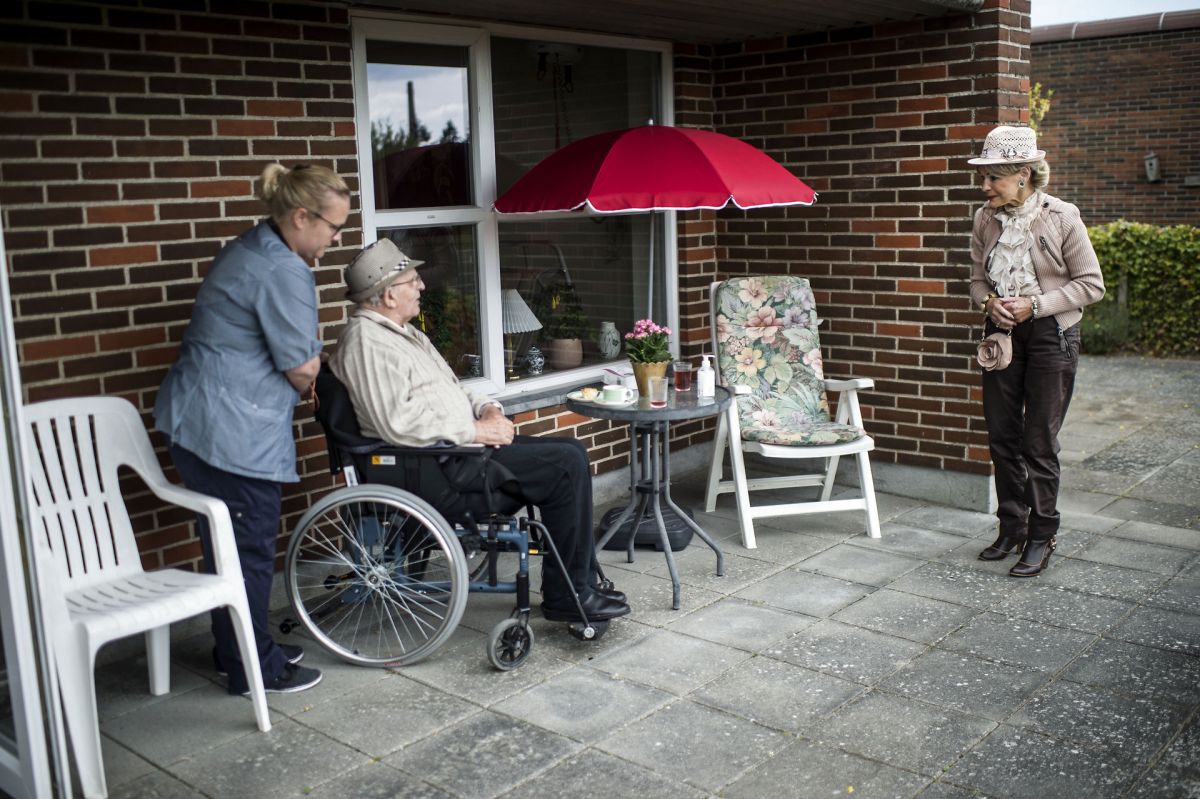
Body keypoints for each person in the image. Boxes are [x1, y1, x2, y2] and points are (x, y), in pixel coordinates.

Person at [329, 238, 630, 622]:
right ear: (389, 294)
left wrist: (486, 407)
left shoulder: (405, 334)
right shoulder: (367, 343)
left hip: (457, 453)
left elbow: (451, 386)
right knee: (565, 463)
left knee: (569, 454)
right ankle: (569, 593)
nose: (422, 286)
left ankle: (577, 584)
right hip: (439, 469)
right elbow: (397, 424)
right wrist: (477, 431)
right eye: (414, 280)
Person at [155, 163, 351, 693]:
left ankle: (236, 649)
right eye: (333, 228)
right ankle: (251, 669)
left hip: (198, 420)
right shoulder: (283, 269)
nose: (335, 240)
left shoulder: (251, 245)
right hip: (228, 433)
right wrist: (312, 371)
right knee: (248, 549)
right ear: (301, 216)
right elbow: (303, 367)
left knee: (229, 547)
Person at [968, 126, 1105, 577]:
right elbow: (977, 280)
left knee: (1038, 441)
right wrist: (990, 303)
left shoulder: (1062, 216)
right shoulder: (984, 218)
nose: (984, 186)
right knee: (1002, 435)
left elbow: (1091, 285)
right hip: (1002, 335)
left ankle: (1042, 535)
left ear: (1023, 174)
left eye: (993, 178)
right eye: (984, 177)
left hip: (1052, 335)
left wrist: (1036, 305)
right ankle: (1012, 527)